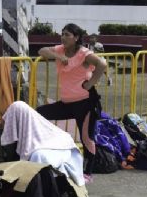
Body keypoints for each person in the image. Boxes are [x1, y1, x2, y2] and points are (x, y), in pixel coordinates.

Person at [0, 101, 80, 197]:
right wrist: (22, 169)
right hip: (8, 182)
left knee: (44, 169)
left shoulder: (27, 132)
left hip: (24, 178)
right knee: (33, 174)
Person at [37, 24, 109, 166]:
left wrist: (90, 84)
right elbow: (42, 50)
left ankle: (88, 172)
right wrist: (58, 56)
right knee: (38, 114)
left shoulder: (84, 53)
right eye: (62, 34)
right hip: (66, 103)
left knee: (86, 138)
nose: (63, 37)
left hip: (85, 103)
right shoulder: (60, 50)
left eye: (67, 35)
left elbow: (101, 64)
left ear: (76, 38)